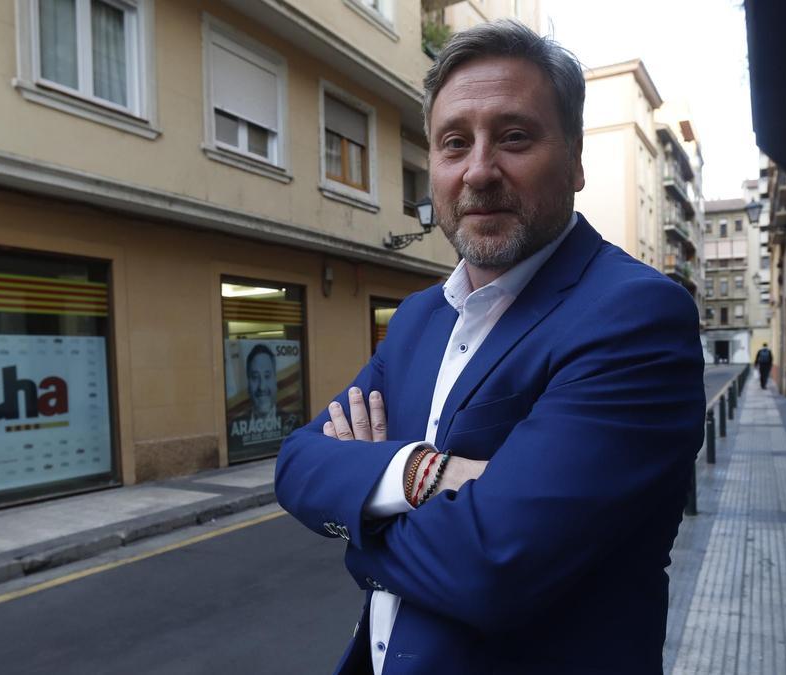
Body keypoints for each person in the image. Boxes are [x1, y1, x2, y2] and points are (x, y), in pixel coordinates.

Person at [275, 19, 704, 674]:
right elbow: (297, 463)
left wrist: (360, 519)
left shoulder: (634, 317)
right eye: (454, 143)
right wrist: (426, 474)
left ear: (576, 159)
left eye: (513, 136)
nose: (479, 170)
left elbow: (491, 567)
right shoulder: (420, 317)